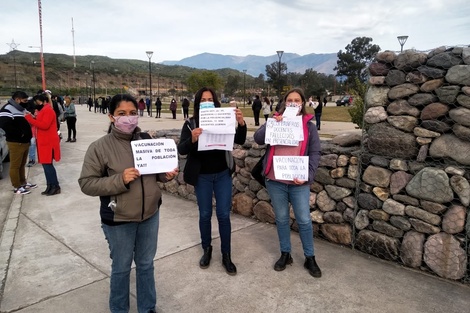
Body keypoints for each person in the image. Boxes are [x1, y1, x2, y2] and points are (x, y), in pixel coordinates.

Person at [78, 94, 178, 313]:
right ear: (111, 116)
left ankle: (147, 307)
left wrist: (166, 176)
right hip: (119, 219)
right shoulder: (100, 147)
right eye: (122, 114)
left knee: (145, 265)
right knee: (122, 268)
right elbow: (86, 184)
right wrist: (120, 179)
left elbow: (156, 174)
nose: (128, 118)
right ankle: (119, 309)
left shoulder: (146, 140)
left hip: (150, 216)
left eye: (132, 113)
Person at [177, 87, 247, 276]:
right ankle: (207, 249)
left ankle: (226, 254)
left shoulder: (224, 119)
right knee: (205, 214)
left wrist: (241, 123)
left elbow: (239, 139)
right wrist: (192, 138)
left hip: (222, 174)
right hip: (203, 177)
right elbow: (182, 149)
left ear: (216, 102)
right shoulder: (191, 123)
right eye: (203, 100)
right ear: (198, 103)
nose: (207, 102)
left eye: (210, 99)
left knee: (224, 215)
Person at [253, 87, 322, 278]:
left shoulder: (308, 125)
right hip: (276, 181)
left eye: (297, 100)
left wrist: (308, 175)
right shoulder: (275, 120)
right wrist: (272, 123)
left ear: (302, 103)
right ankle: (286, 253)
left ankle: (310, 257)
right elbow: (258, 139)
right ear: (284, 103)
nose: (293, 103)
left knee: (304, 220)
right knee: (282, 219)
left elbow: (315, 152)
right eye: (289, 100)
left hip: (299, 181)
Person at [0, 91, 37, 194]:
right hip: (16, 142)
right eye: (24, 101)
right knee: (15, 165)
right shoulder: (7, 109)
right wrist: (20, 134)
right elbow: (5, 125)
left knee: (22, 164)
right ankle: (17, 186)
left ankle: (23, 182)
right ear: (17, 100)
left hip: (25, 142)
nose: (26, 103)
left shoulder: (21, 109)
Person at [25, 93, 61, 196]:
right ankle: (50, 185)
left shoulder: (48, 111)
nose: (36, 104)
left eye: (38, 102)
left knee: (48, 165)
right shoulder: (43, 110)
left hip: (48, 142)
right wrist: (34, 117)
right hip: (43, 142)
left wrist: (29, 118)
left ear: (44, 102)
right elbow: (41, 122)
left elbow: (44, 125)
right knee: (46, 166)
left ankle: (55, 186)